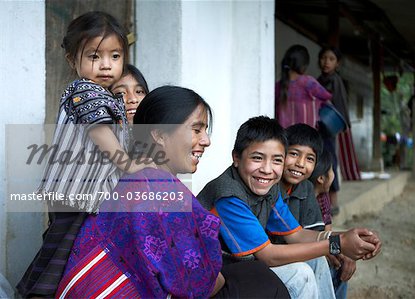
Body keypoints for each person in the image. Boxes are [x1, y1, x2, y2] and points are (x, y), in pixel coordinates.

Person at [55, 86, 290, 298]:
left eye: (205, 130)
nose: (206, 140)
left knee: (250, 273)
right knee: (263, 282)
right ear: (159, 135)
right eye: (196, 129)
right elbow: (204, 284)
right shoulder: (160, 189)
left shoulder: (137, 179)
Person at [17, 11, 151, 298]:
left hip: (87, 195)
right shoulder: (84, 90)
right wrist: (128, 164)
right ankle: (35, 293)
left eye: (115, 56)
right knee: (60, 251)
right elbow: (99, 132)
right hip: (73, 192)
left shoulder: (108, 96)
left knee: (69, 247)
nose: (106, 65)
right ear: (71, 60)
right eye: (94, 56)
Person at [197, 116, 382, 299]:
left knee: (316, 260)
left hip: (246, 268)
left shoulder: (269, 189)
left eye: (277, 160)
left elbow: (296, 235)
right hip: (215, 278)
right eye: (257, 158)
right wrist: (337, 245)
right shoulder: (228, 196)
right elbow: (268, 255)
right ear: (236, 158)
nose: (267, 169)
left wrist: (344, 237)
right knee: (300, 274)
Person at [317, 46, 361, 214]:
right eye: (323, 58)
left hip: (328, 128)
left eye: (331, 59)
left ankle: (333, 202)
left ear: (337, 63)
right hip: (318, 128)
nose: (326, 62)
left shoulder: (335, 81)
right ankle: (322, 201)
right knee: (320, 163)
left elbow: (340, 105)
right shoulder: (318, 80)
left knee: (329, 163)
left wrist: (342, 125)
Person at [309, 148, 353, 299]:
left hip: (318, 247)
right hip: (305, 254)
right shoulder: (301, 200)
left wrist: (339, 252)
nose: (334, 176)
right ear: (321, 178)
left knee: (340, 265)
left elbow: (327, 232)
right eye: (332, 171)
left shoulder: (323, 197)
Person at [275, 44, 332, 129]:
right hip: (305, 139)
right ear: (304, 65)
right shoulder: (308, 82)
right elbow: (327, 97)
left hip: (284, 138)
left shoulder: (278, 86)